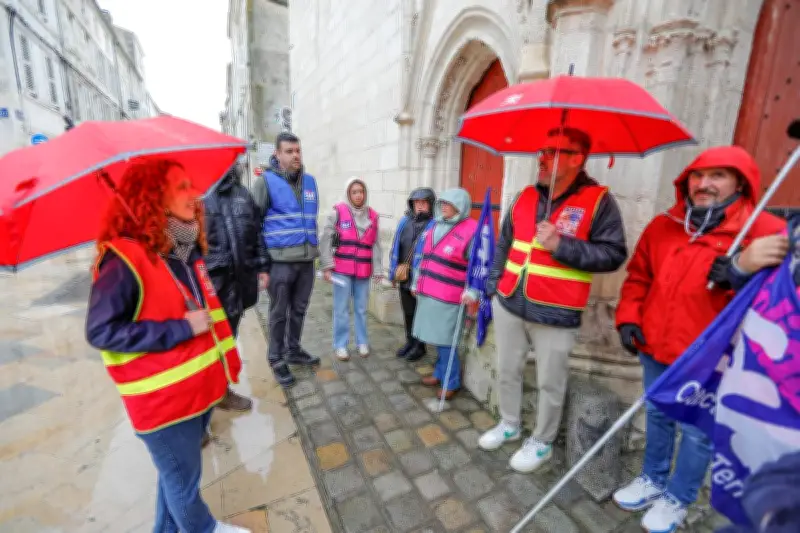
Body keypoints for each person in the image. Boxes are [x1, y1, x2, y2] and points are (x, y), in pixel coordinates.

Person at [613, 146, 787, 532]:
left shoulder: (764, 233)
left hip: (709, 360)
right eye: (697, 175)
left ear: (740, 182)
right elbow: (640, 276)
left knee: (696, 432)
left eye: (718, 175)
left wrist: (739, 272)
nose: (704, 184)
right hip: (656, 347)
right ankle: (654, 478)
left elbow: (779, 303)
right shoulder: (665, 225)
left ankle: (679, 496)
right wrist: (628, 317)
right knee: (657, 414)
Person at [85, 159, 249, 533]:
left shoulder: (181, 250)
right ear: (152, 198)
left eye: (191, 186)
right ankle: (206, 529)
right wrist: (180, 328)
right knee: (182, 483)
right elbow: (101, 331)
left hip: (193, 394)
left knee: (173, 476)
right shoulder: (123, 259)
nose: (193, 196)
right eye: (180, 188)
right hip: (162, 404)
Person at [478, 127, 628, 474]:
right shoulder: (523, 197)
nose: (541, 158)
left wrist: (561, 246)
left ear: (578, 159)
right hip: (510, 300)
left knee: (550, 381)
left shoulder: (598, 201)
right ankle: (510, 423)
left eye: (553, 152)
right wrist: (494, 285)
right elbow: (504, 243)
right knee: (507, 370)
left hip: (557, 311)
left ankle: (542, 442)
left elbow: (613, 254)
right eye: (541, 151)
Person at [251, 133, 320, 388]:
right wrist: (261, 265)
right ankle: (276, 356)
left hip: (306, 260)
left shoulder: (310, 182)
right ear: (277, 155)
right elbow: (254, 224)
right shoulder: (265, 182)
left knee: (300, 309)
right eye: (289, 151)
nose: (295, 155)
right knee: (279, 312)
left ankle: (293, 349)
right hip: (279, 262)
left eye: (298, 150)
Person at [203, 163, 271, 412]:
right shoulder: (198, 195)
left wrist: (262, 267)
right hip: (210, 285)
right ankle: (200, 409)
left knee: (228, 338)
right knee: (204, 348)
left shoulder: (243, 194)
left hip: (239, 282)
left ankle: (221, 391)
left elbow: (256, 234)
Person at [410, 188, 479, 400]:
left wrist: (474, 291)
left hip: (449, 295)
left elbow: (478, 265)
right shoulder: (435, 224)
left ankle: (452, 381)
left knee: (446, 340)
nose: (444, 206)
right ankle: (440, 373)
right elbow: (423, 255)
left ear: (461, 205)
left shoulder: (472, 230)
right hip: (428, 291)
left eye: (449, 203)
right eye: (443, 203)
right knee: (436, 338)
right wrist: (415, 282)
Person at [318, 177, 384, 360]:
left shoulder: (373, 216)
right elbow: (325, 239)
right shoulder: (337, 212)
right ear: (349, 193)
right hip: (341, 270)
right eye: (354, 192)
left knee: (361, 309)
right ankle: (340, 344)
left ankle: (362, 342)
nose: (358, 195)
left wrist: (378, 270)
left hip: (363, 270)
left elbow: (377, 245)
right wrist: (327, 266)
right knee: (341, 309)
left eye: (361, 191)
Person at [388, 187, 436, 361]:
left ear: (430, 204)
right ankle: (410, 341)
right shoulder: (404, 221)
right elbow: (395, 247)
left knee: (420, 314)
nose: (420, 206)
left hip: (422, 279)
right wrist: (393, 273)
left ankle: (419, 346)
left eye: (424, 202)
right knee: (408, 312)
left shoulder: (434, 225)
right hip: (405, 276)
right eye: (417, 202)